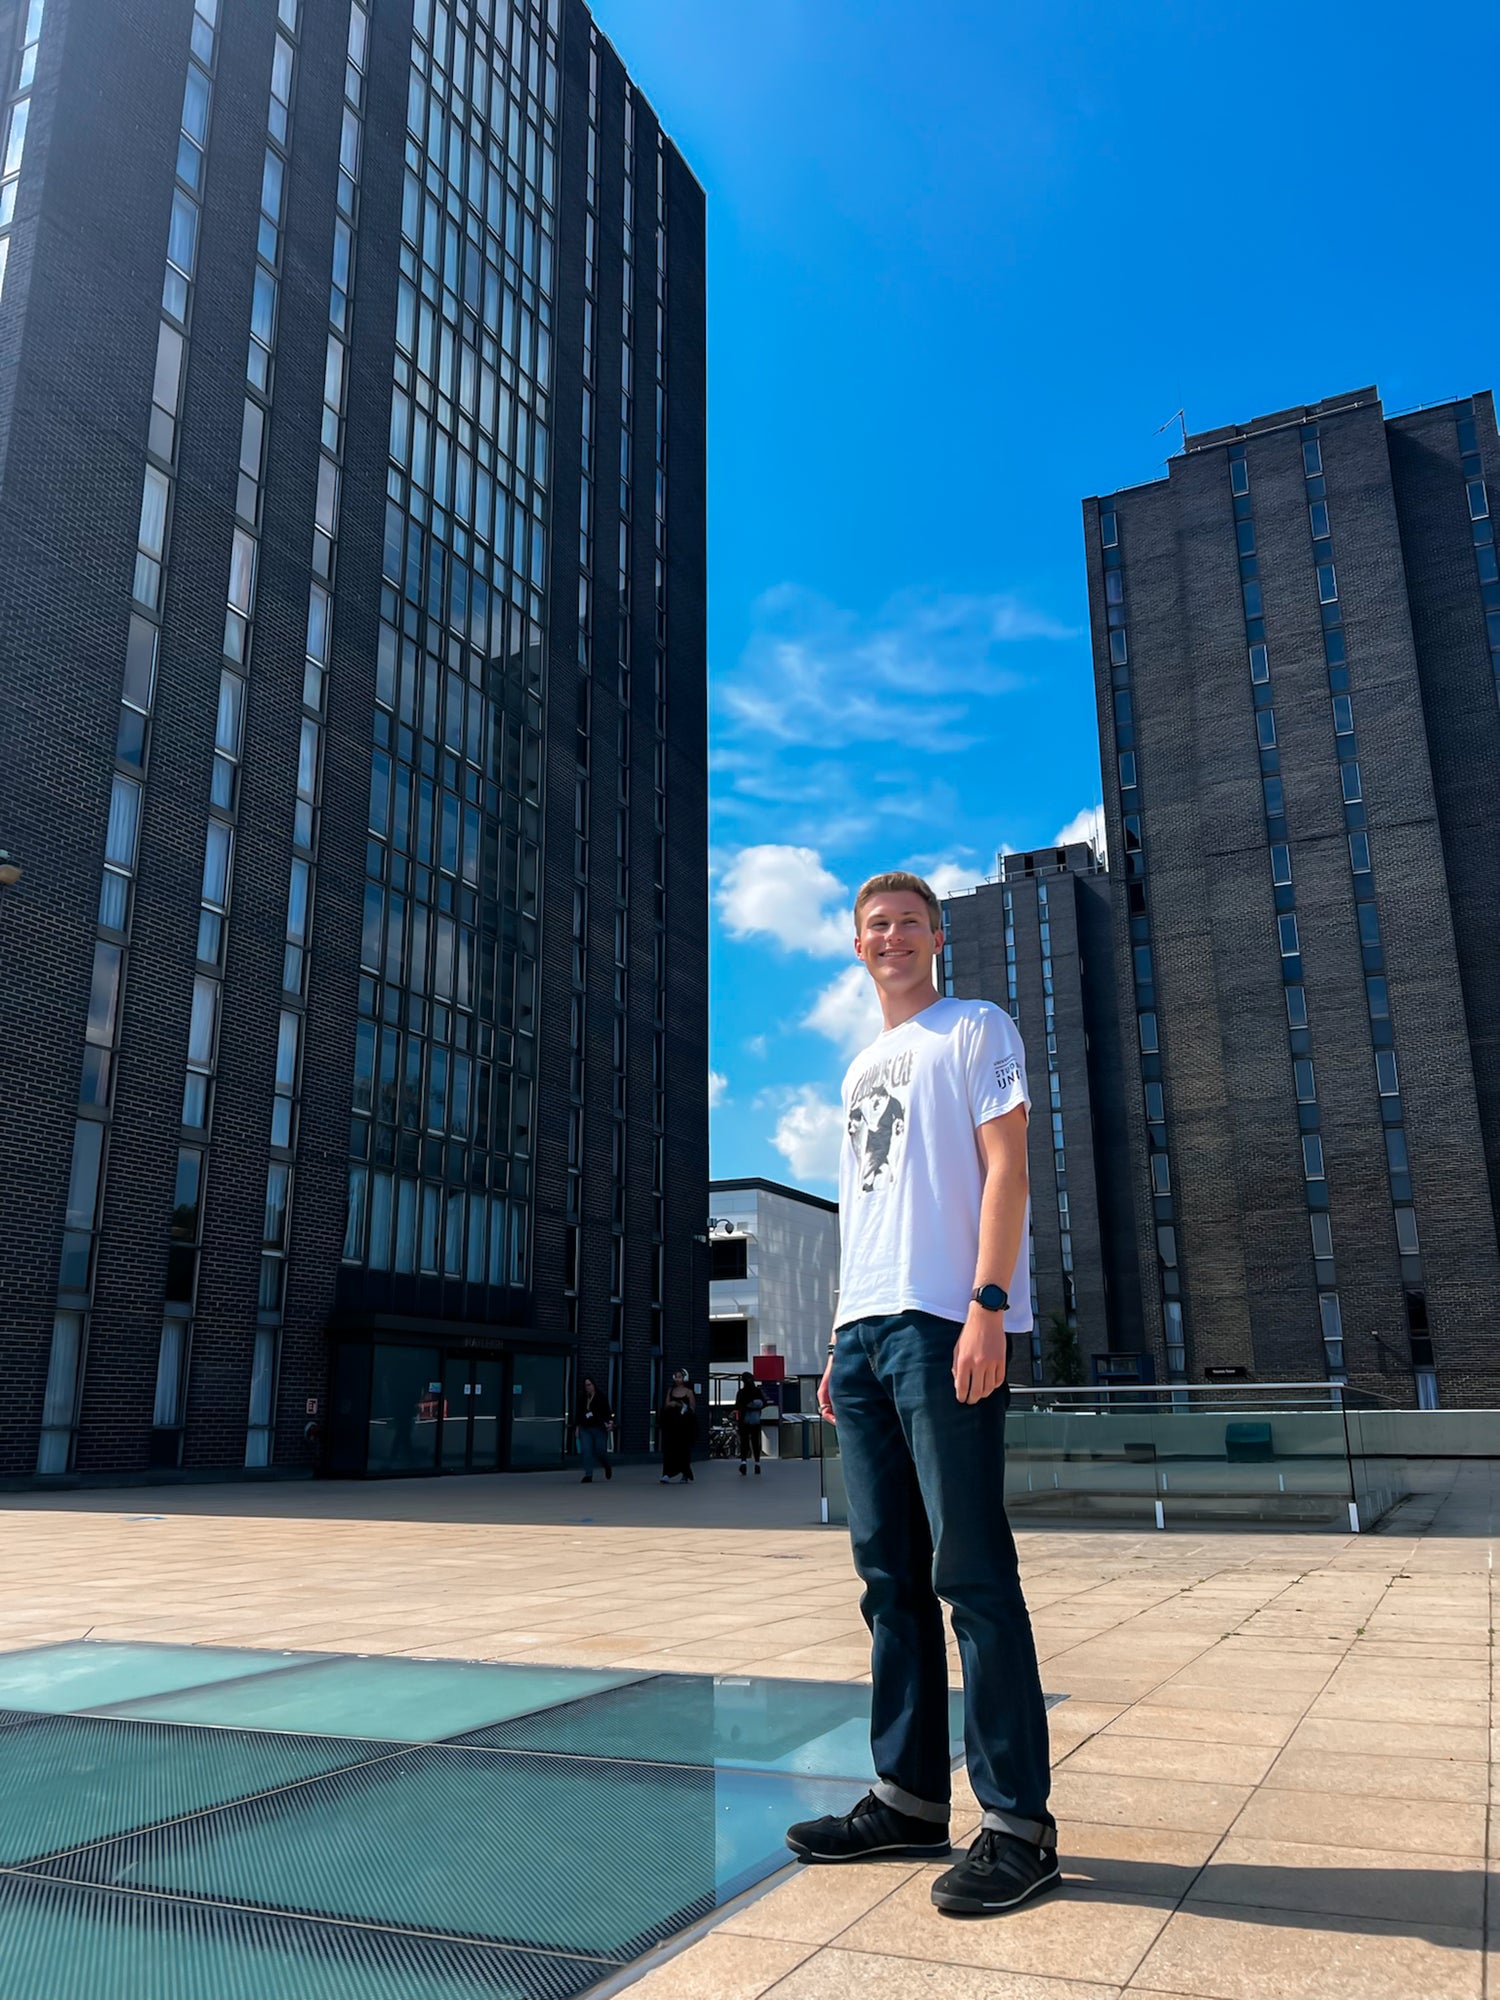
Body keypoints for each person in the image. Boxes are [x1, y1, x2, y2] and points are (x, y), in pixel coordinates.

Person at [785, 870, 1057, 1917]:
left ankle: (1019, 1823)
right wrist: (839, 1335)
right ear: (858, 947)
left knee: (972, 1571)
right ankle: (905, 1796)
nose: (891, 937)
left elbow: (1005, 1169)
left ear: (936, 935)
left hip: (946, 1323)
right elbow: (868, 1208)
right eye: (874, 926)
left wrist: (990, 1301)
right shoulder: (858, 1069)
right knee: (886, 1576)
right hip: (865, 1336)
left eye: (906, 922)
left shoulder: (974, 1026)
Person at [659, 1369, 697, 1482]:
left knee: (683, 1449)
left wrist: (680, 1405)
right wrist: (671, 1404)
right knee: (669, 1448)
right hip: (671, 1423)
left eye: (679, 1377)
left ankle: (685, 1472)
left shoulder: (689, 1392)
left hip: (684, 1425)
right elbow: (666, 1405)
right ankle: (667, 1473)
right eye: (675, 1377)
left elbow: (692, 1408)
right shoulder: (671, 1390)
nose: (677, 1379)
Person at [574, 1375, 614, 1484]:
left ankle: (606, 1465)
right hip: (585, 1427)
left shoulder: (601, 1397)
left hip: (599, 1427)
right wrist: (577, 1427)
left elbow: (607, 1411)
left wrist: (610, 1422)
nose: (588, 1387)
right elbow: (578, 1413)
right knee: (587, 1451)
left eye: (589, 1385)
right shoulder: (582, 1397)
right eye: (586, 1386)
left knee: (600, 1451)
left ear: (593, 1384)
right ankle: (588, 1475)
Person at [734, 1370, 767, 1475]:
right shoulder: (757, 1391)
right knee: (755, 1441)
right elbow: (764, 1402)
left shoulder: (741, 1392)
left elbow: (738, 1405)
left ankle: (743, 1462)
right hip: (756, 1418)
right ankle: (757, 1464)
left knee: (744, 1441)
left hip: (744, 1419)